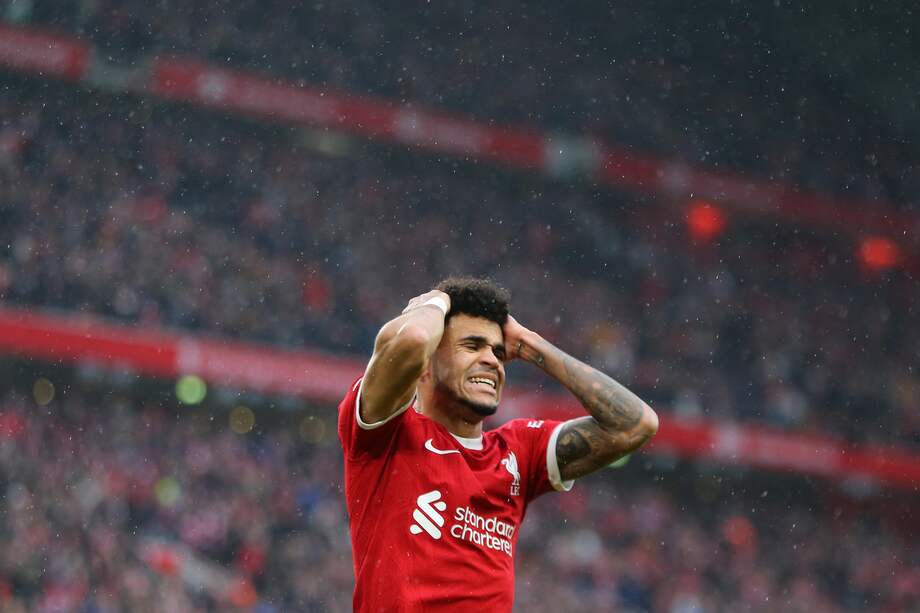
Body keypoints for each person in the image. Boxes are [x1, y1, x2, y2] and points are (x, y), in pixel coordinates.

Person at [338, 277, 659, 611]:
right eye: (472, 345)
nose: (492, 360)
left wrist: (531, 345)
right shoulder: (389, 434)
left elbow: (635, 425)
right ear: (426, 368)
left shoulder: (519, 451)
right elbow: (414, 340)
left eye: (499, 351)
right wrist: (437, 301)